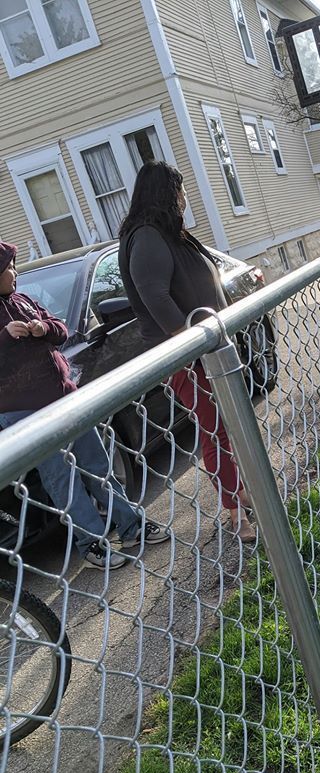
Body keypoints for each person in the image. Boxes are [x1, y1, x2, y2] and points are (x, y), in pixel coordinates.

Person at [0, 241, 169, 570]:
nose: (15, 272)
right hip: (27, 416)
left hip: (65, 400)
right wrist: (5, 336)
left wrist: (43, 327)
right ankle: (91, 541)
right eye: (8, 268)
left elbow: (62, 330)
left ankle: (131, 525)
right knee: (62, 478)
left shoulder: (21, 300)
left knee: (98, 464)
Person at [118, 160, 255, 542]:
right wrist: (189, 342)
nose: (183, 197)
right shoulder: (145, 236)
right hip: (186, 357)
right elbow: (155, 295)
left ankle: (242, 491)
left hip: (208, 349)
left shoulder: (166, 233)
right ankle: (234, 512)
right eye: (179, 189)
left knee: (227, 427)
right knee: (215, 431)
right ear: (166, 192)